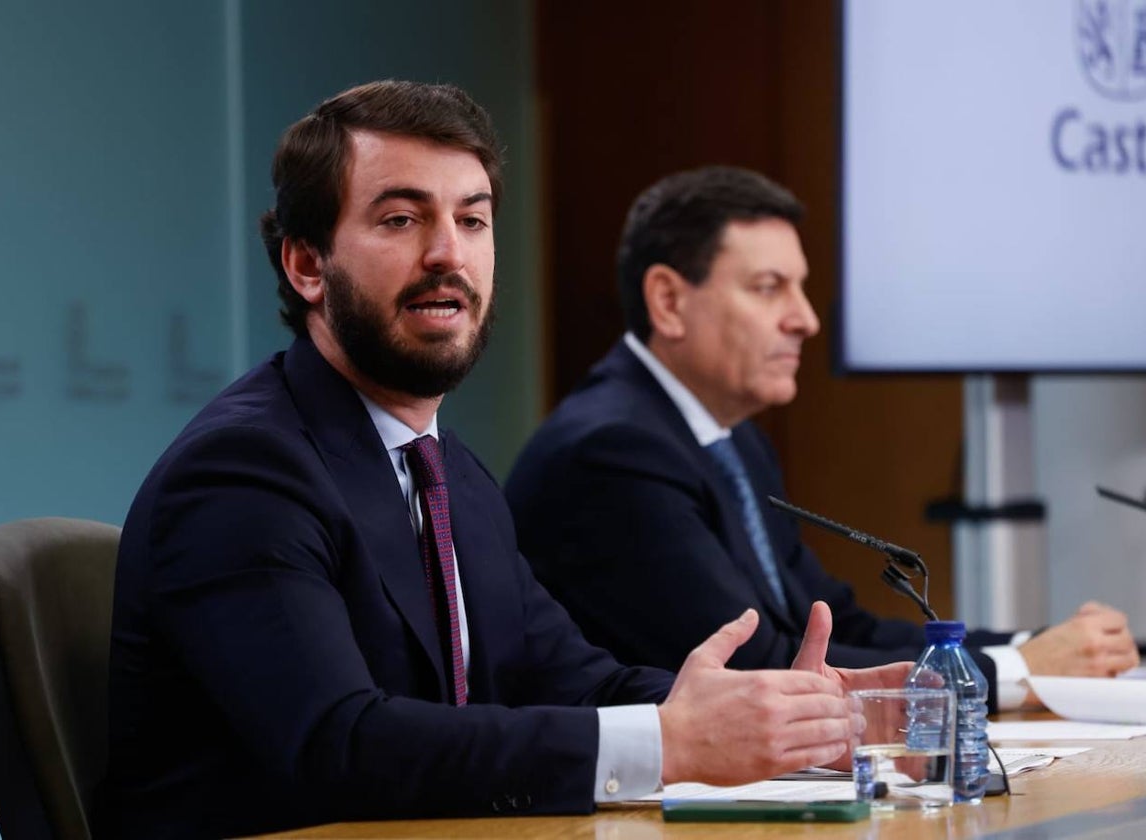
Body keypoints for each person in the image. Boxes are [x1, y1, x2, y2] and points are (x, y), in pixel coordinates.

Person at [100, 85, 908, 839]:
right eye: (400, 220)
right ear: (308, 265)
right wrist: (670, 743)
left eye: (473, 220)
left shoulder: (448, 470)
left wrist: (775, 712)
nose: (447, 254)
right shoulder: (246, 472)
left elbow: (573, 681)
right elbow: (340, 745)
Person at [505, 165, 1139, 714]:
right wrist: (1026, 671)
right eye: (768, 288)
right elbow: (766, 665)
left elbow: (838, 625)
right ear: (668, 301)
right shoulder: (611, 454)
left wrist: (1026, 646)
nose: (805, 318)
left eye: (800, 287)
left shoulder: (733, 443)